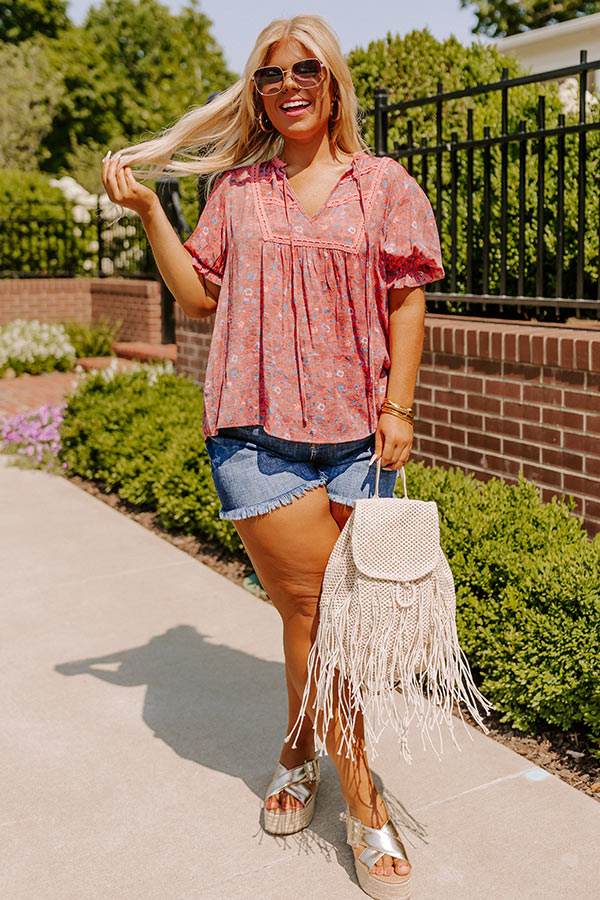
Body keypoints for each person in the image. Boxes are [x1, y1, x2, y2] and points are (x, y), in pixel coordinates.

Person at [101, 14, 445, 899]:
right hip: (257, 435)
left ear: (331, 82)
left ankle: (297, 750)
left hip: (360, 440)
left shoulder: (385, 185)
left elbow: (407, 300)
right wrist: (150, 210)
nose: (287, 85)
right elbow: (197, 297)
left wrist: (398, 406)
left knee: (326, 619)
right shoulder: (240, 190)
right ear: (255, 93)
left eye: (304, 69)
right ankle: (365, 808)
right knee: (316, 612)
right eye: (268, 75)